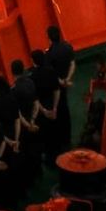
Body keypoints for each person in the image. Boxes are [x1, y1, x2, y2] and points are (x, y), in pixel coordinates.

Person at [9, 60, 42, 191]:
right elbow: (36, 103)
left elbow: (18, 114)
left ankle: (28, 179)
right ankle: (38, 171)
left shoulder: (14, 90)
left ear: (12, 72)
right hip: (34, 121)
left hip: (23, 127)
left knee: (25, 152)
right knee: (36, 148)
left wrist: (27, 125)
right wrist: (33, 120)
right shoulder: (30, 82)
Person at [30, 49, 65, 166]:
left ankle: (51, 160)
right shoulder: (51, 71)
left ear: (33, 62)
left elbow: (35, 99)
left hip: (42, 109)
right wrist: (55, 108)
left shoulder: (32, 77)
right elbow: (57, 90)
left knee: (47, 136)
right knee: (57, 131)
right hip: (53, 104)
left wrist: (44, 110)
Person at [45, 25, 76, 156]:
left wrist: (60, 81)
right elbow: (72, 64)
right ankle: (67, 139)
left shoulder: (49, 54)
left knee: (57, 109)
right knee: (65, 110)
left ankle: (59, 142)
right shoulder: (68, 47)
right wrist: (67, 79)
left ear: (49, 37)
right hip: (65, 82)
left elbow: (51, 73)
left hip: (56, 86)